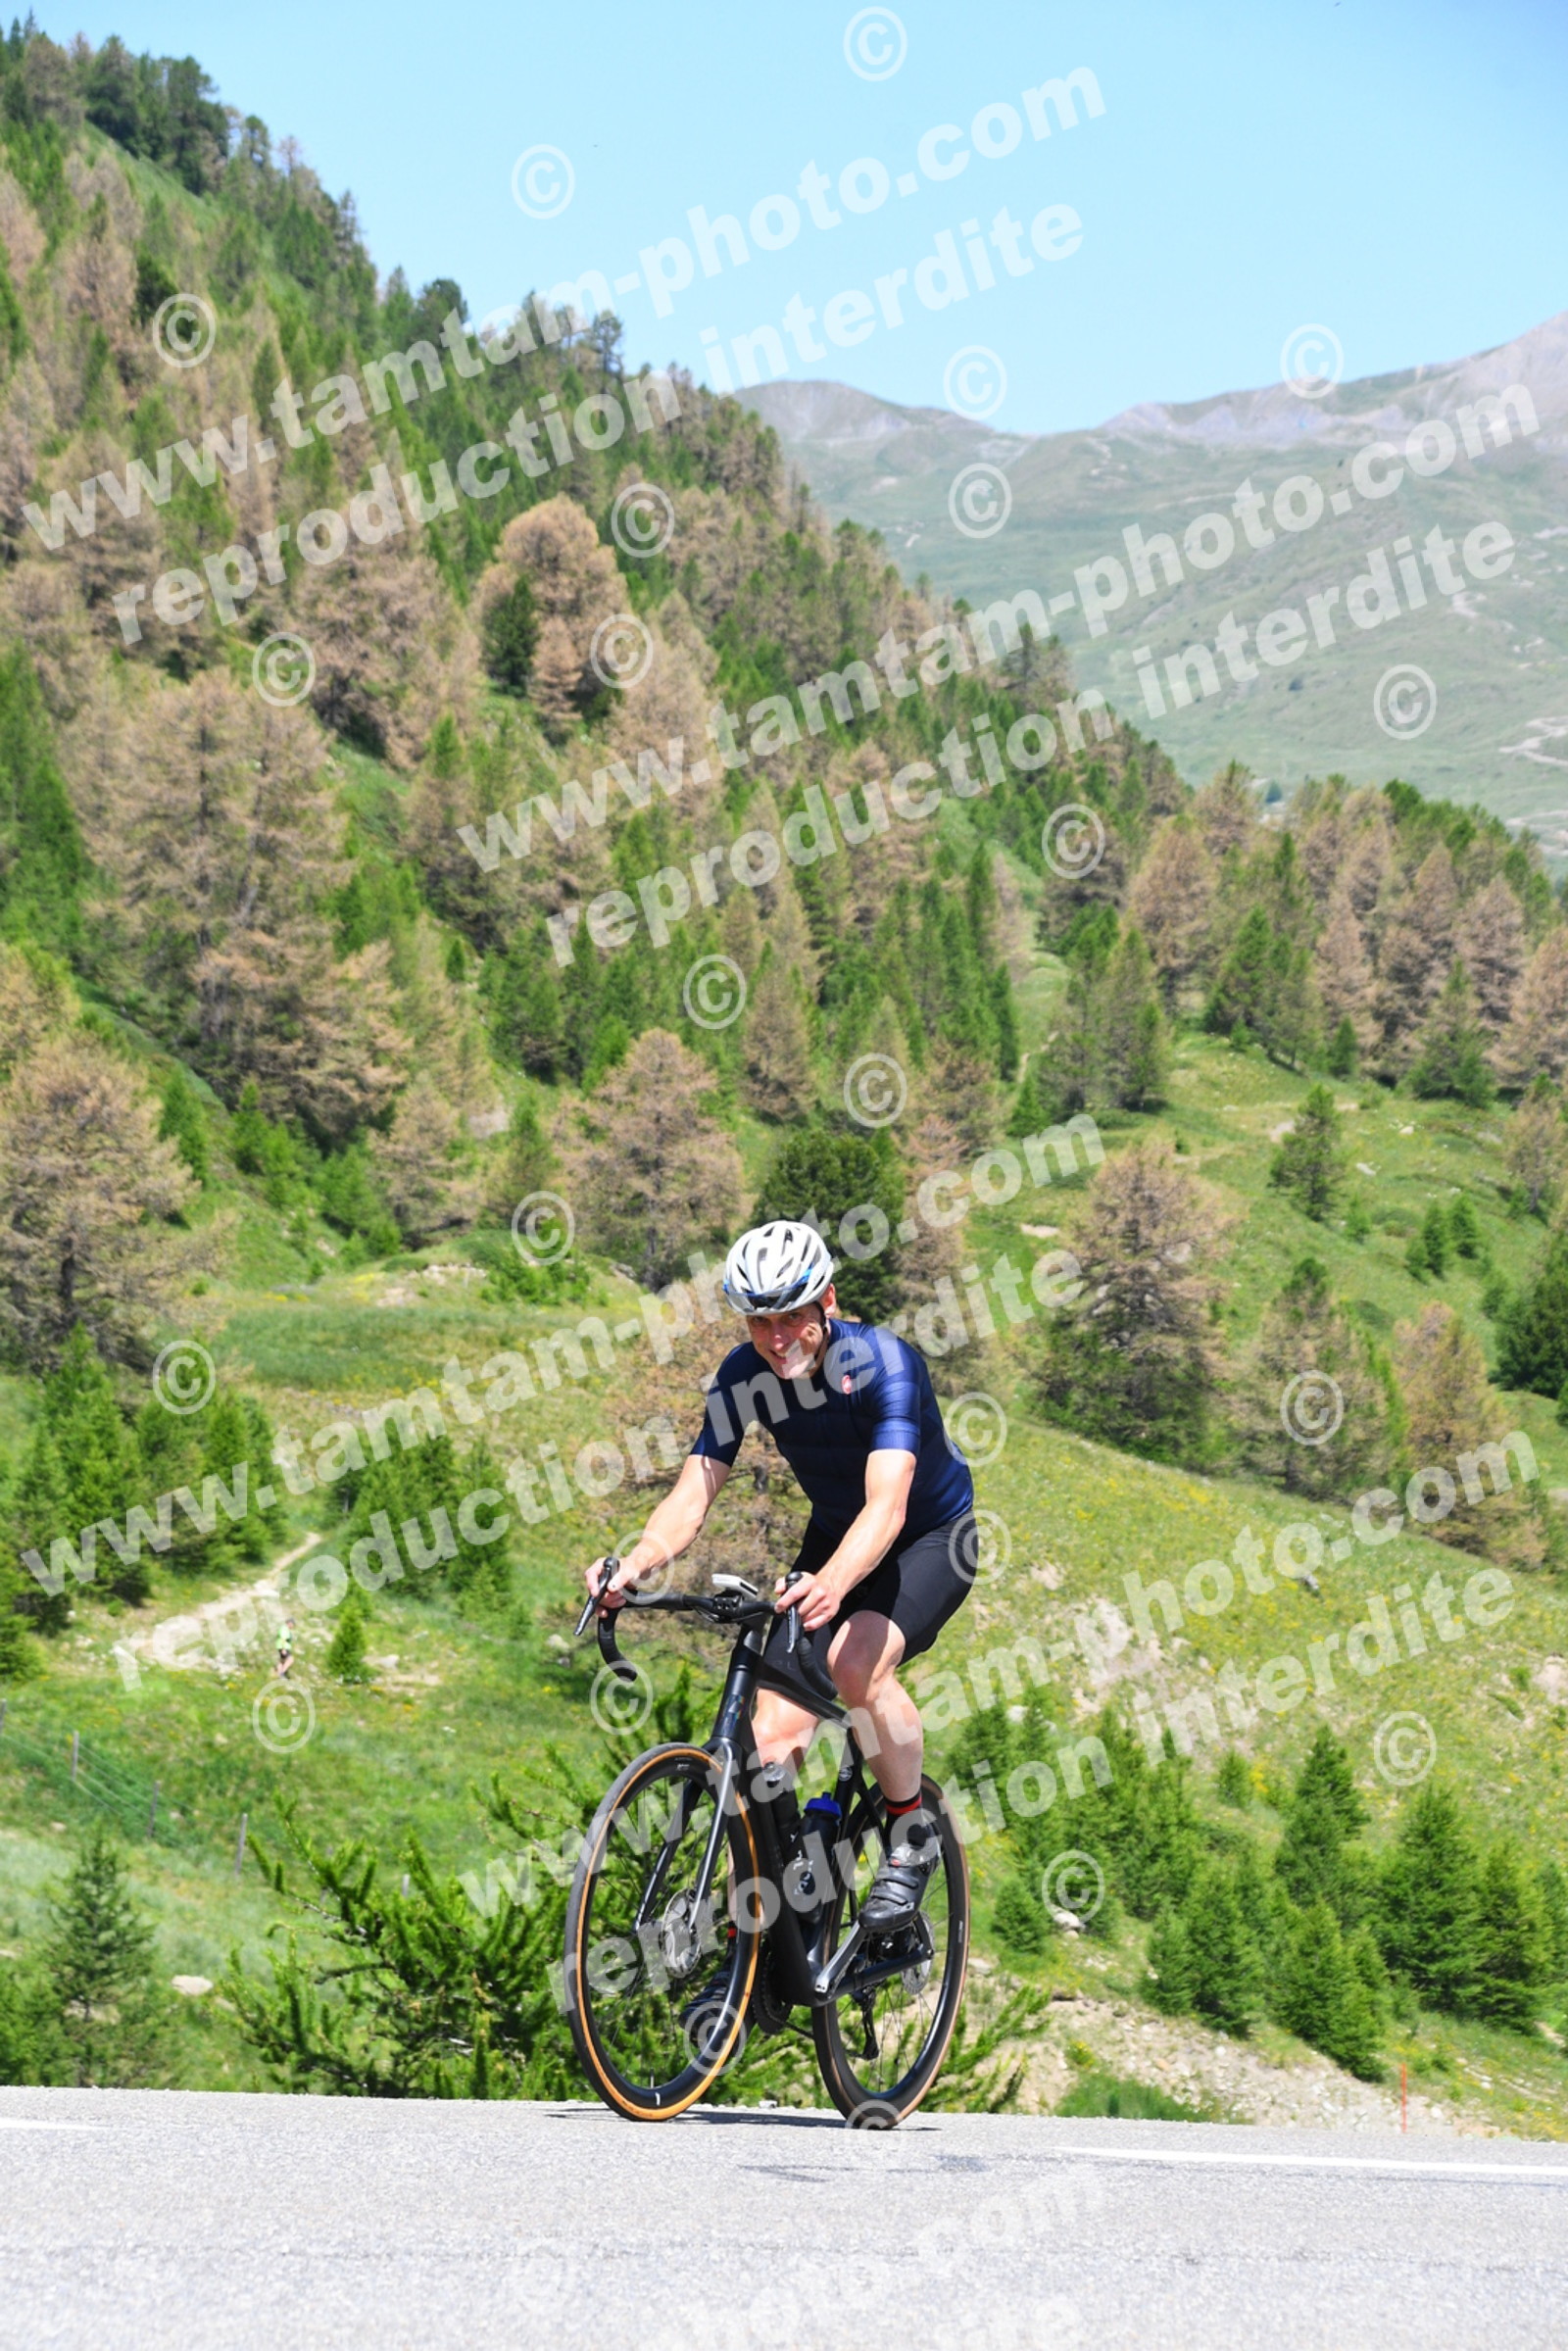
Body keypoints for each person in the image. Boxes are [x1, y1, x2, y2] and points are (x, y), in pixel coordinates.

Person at [584, 1219, 976, 1931]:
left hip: (931, 1537)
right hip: (834, 1537)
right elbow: (695, 1490)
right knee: (764, 1753)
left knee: (854, 1661)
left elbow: (887, 1508)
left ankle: (910, 1834)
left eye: (792, 1315)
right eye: (760, 1321)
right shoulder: (743, 1376)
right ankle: (757, 1943)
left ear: (827, 1301)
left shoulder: (884, 1363)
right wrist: (636, 1562)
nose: (777, 1336)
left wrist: (832, 1582)